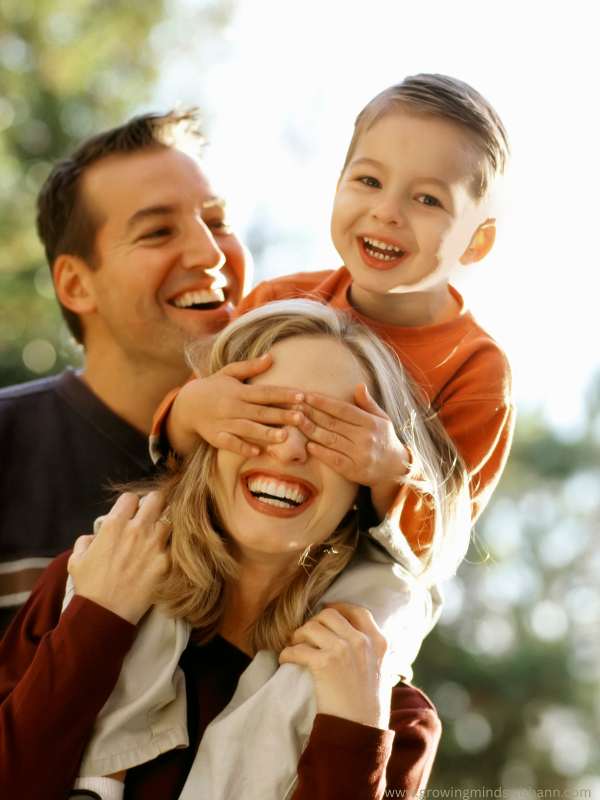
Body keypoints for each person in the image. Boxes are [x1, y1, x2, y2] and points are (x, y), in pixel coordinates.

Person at [0, 300, 470, 800]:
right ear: (206, 437)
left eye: (332, 433)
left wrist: (352, 738)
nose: (289, 449)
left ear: (366, 489)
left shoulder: (389, 716)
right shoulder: (86, 588)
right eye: (262, 416)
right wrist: (95, 626)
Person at [152, 73, 514, 556]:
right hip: (229, 542)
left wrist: (390, 469)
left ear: (477, 241)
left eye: (428, 199)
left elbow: (444, 539)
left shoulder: (477, 367)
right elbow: (184, 444)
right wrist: (190, 411)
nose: (387, 211)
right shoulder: (279, 300)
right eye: (369, 181)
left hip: (358, 570)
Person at [0, 109, 268, 630]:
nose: (210, 253)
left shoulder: (285, 457)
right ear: (77, 284)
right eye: (158, 232)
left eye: (218, 223)